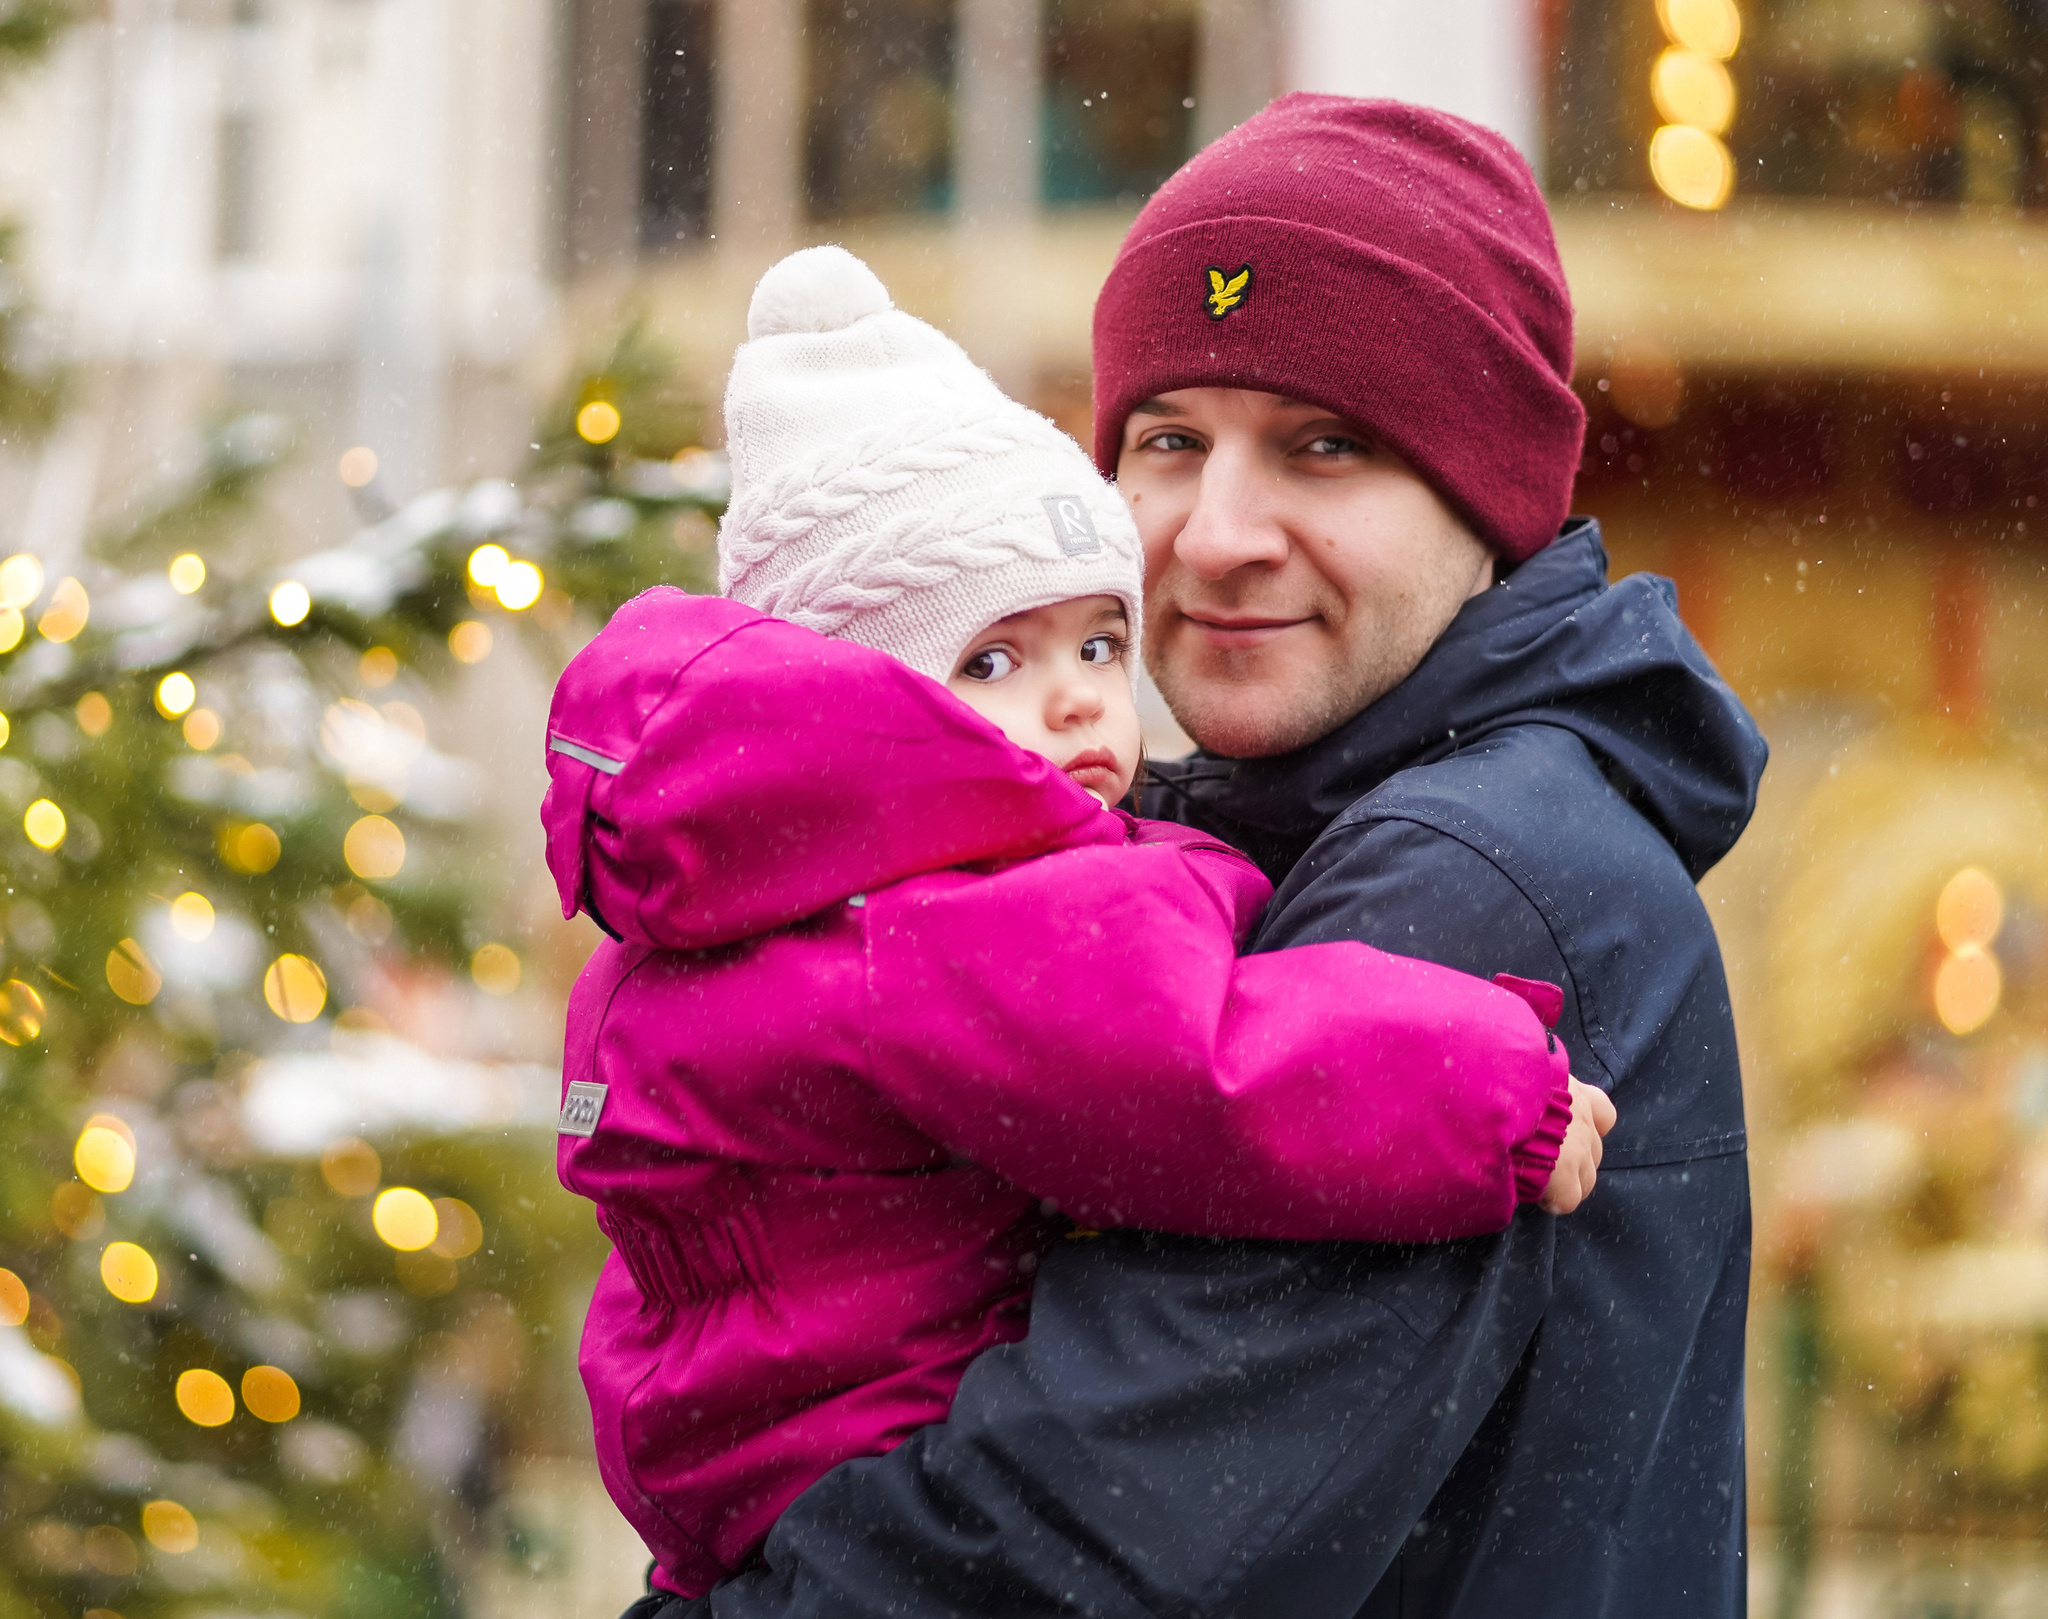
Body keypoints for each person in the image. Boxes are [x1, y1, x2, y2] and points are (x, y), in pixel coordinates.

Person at [642, 96, 1770, 1617]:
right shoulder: (1258, 829)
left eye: (1324, 446)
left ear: (1486, 493)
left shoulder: (1462, 883)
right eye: (1171, 442)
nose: (1220, 532)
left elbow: (1080, 1540)